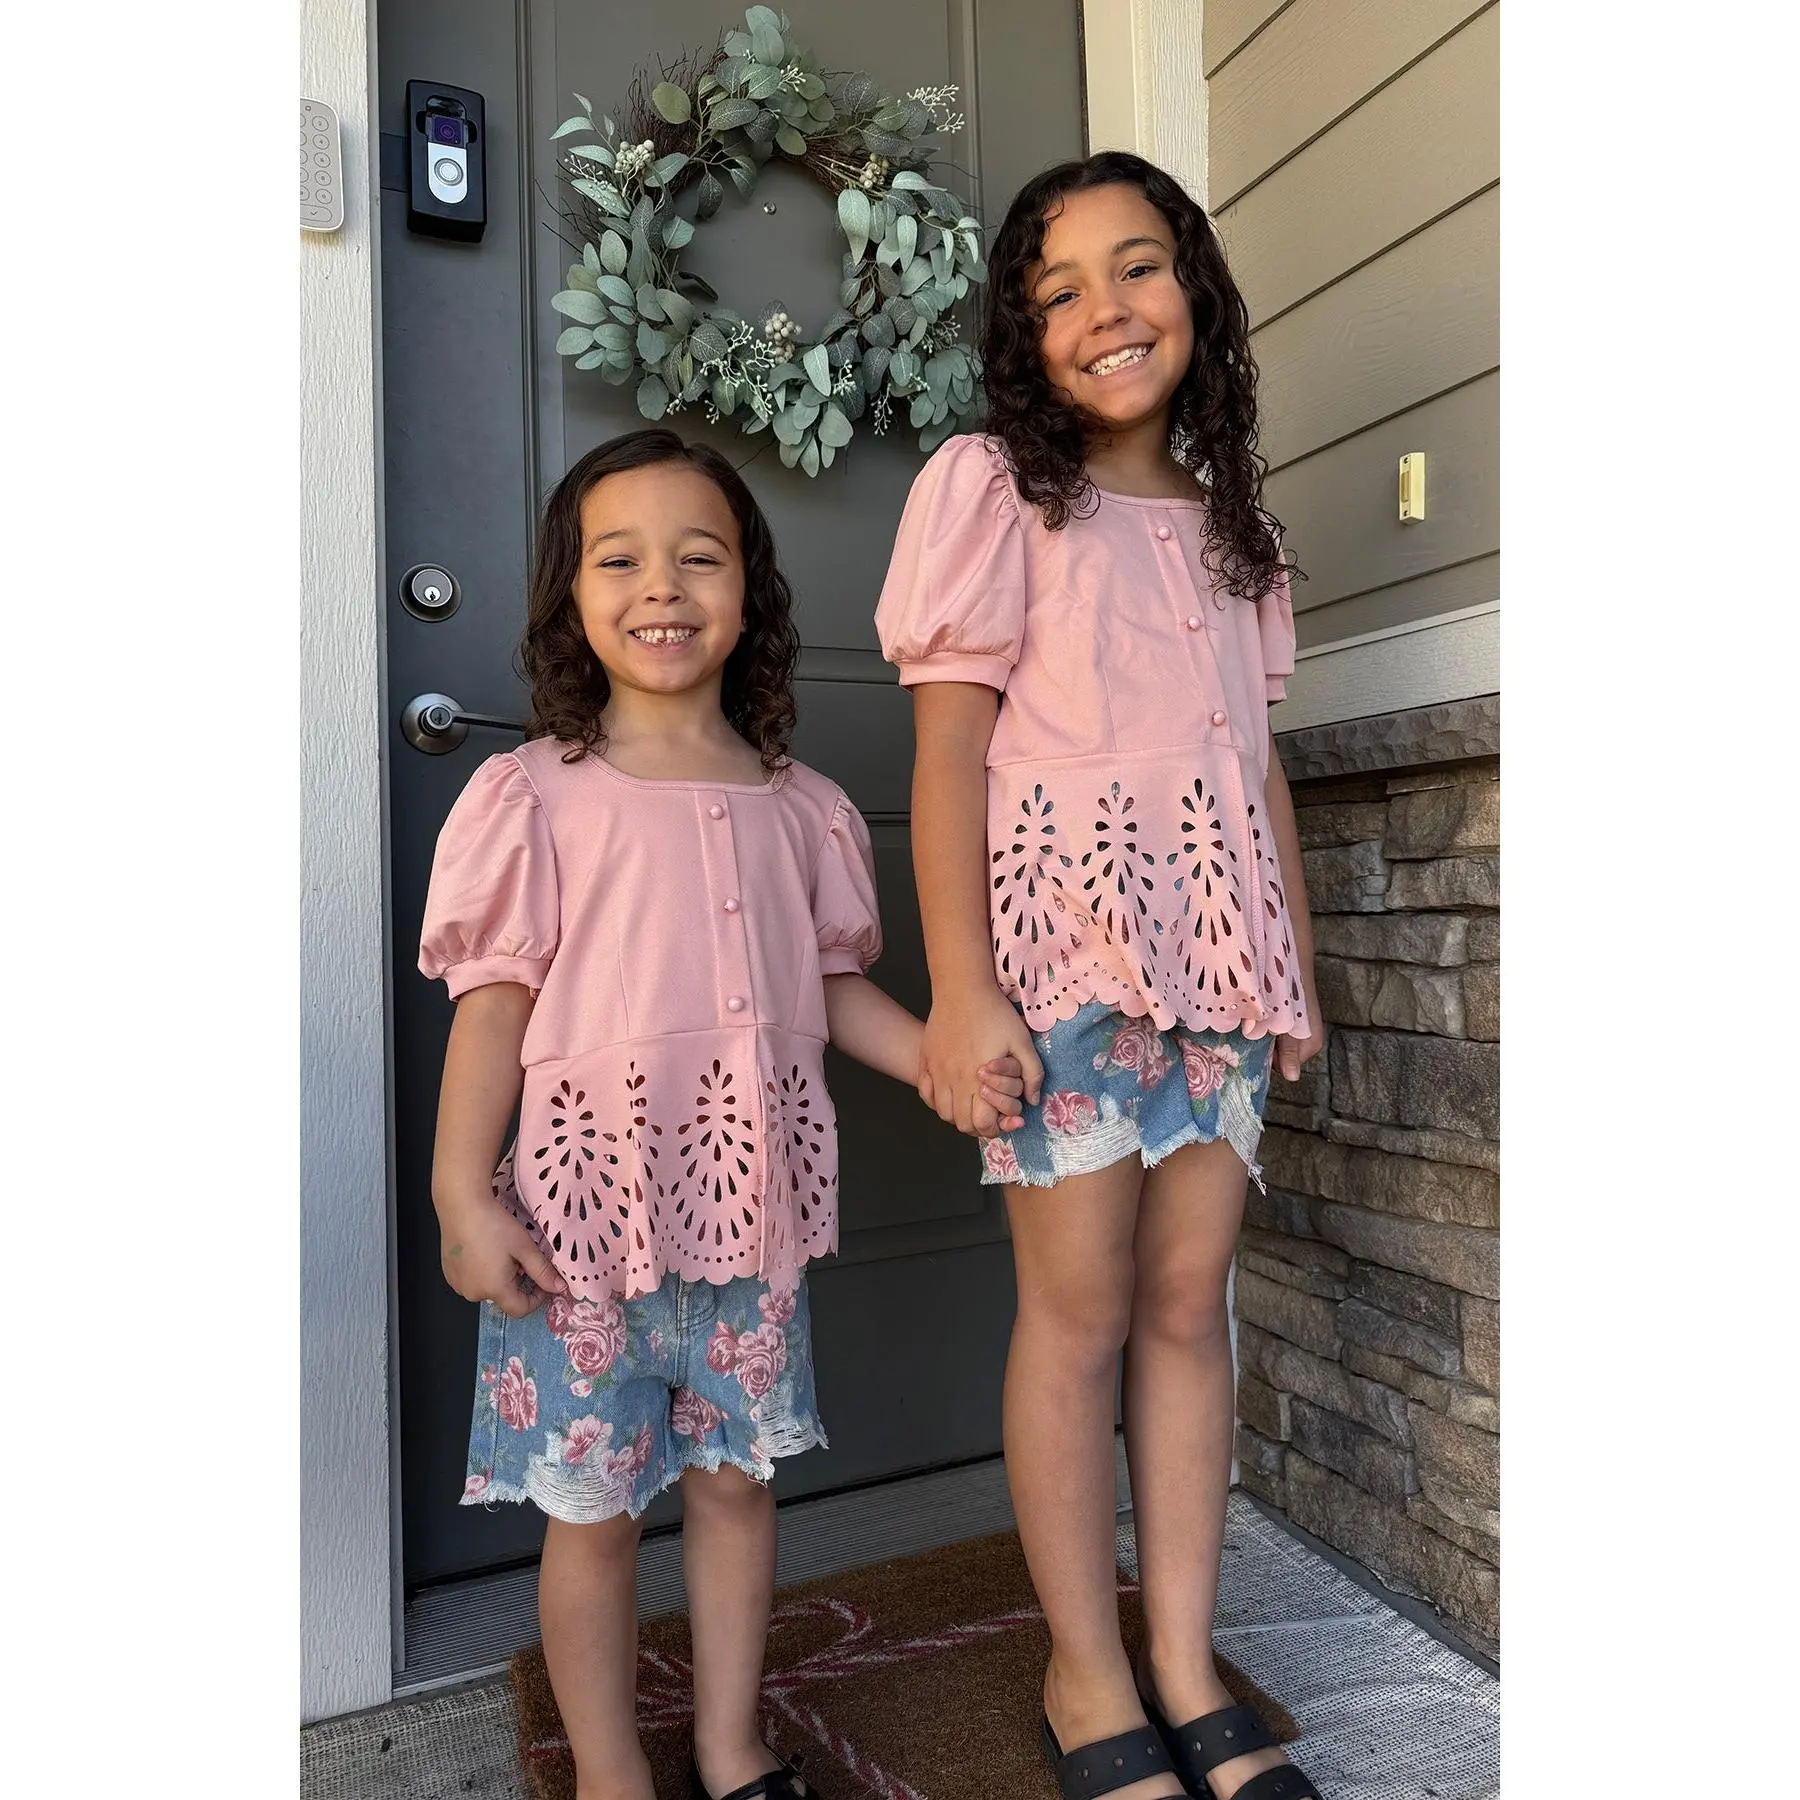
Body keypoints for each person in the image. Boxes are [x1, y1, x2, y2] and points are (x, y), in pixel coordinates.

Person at [420, 428, 1023, 1800]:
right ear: (571, 596)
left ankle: (730, 1740)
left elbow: (834, 989)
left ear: (750, 591)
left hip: (750, 1226)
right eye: (619, 560)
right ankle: (611, 1768)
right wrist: (462, 1194)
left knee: (741, 1488)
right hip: (577, 1242)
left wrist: (936, 1059)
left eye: (699, 557)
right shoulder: (532, 798)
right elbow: (493, 1014)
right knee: (590, 1518)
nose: (662, 587)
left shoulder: (801, 809)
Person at [875, 152, 1328, 1800]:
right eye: (1058, 291)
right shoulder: (994, 489)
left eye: (1137, 268)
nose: (1105, 311)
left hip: (1222, 968)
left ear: (1193, 290)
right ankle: (1085, 1672)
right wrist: (963, 989)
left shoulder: (1234, 529)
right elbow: (948, 758)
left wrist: (1295, 964)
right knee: (1076, 1316)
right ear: (1024, 334)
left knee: (1187, 1305)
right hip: (1066, 963)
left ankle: (1186, 1660)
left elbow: (1255, 765)